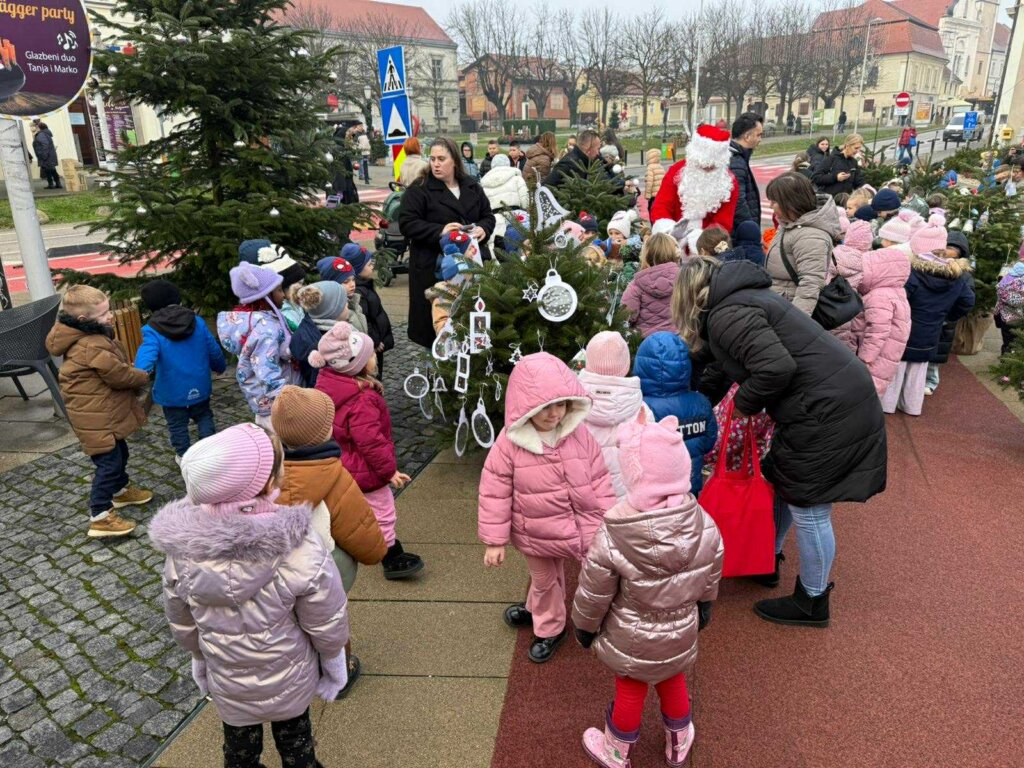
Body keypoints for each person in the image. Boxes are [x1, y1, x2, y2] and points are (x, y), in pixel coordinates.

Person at [674, 257, 886, 626]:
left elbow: (776, 367)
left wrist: (743, 405)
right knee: (782, 480)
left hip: (825, 409)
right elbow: (723, 361)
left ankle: (813, 600)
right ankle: (766, 560)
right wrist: (697, 400)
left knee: (809, 505)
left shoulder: (728, 314)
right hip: (831, 397)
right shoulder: (742, 302)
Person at [149, 424, 349, 767]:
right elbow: (325, 615)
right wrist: (334, 661)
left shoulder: (182, 552)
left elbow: (180, 617)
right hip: (289, 674)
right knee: (296, 738)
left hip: (227, 675)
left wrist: (198, 657)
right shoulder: (298, 545)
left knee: (239, 746)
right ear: (268, 484)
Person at [573, 413, 723, 768]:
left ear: (634, 475)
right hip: (680, 624)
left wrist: (584, 626)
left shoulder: (617, 531)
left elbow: (595, 589)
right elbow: (712, 567)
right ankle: (678, 742)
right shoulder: (702, 520)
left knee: (630, 689)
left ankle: (616, 752)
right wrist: (706, 605)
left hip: (631, 633)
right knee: (673, 679)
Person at [478, 352, 616, 663]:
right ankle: (551, 627)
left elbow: (600, 480)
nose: (555, 414)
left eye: (562, 403)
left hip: (577, 526)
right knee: (545, 579)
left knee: (563, 578)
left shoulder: (579, 436)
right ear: (526, 407)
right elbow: (494, 491)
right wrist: (494, 540)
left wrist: (610, 521)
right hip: (536, 531)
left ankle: (537, 609)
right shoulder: (510, 444)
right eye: (545, 407)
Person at [272, 385, 387, 698]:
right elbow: (360, 528)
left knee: (290, 621)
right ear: (325, 431)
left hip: (277, 574)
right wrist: (378, 551)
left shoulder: (264, 474)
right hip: (327, 569)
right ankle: (341, 670)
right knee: (331, 621)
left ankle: (294, 669)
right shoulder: (334, 475)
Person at [312, 322, 425, 580]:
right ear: (357, 364)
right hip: (365, 469)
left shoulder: (329, 382)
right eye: (371, 354)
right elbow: (371, 442)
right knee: (383, 509)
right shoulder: (362, 399)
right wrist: (389, 472)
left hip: (343, 463)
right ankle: (390, 554)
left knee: (352, 508)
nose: (375, 357)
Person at [45, 285, 152, 538]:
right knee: (109, 464)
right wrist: (143, 375)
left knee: (119, 453)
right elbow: (118, 375)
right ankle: (100, 515)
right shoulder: (90, 346)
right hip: (96, 418)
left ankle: (120, 491)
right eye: (104, 315)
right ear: (84, 320)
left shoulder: (82, 335)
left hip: (100, 412)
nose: (110, 317)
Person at [398, 137, 495, 348]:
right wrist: (439, 230)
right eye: (432, 159)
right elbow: (406, 223)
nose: (436, 164)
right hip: (433, 267)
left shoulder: (471, 186)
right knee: (436, 326)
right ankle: (436, 368)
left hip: (472, 265)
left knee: (470, 322)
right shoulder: (420, 188)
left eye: (441, 159)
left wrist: (483, 229)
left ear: (455, 161)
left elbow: (488, 215)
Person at [882, 225, 974, 415]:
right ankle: (913, 406)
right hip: (932, 330)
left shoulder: (913, 273)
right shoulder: (959, 277)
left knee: (896, 367)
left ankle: (887, 405)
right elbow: (967, 301)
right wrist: (948, 316)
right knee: (918, 371)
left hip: (905, 328)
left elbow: (900, 297)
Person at [134, 279, 226, 462]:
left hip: (172, 392)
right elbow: (212, 348)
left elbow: (146, 357)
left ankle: (184, 456)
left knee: (177, 425)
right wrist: (220, 366)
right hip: (199, 385)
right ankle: (208, 449)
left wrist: (137, 375)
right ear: (178, 298)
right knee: (204, 416)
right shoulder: (197, 322)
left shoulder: (151, 330)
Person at [633, 332, 718, 495]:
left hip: (653, 493)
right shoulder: (701, 403)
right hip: (689, 488)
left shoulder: (641, 408)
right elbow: (709, 442)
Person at [218, 261, 299, 429]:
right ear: (265, 297)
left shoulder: (262, 320)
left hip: (272, 404)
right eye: (278, 290)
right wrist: (289, 401)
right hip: (277, 408)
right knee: (283, 448)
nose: (283, 295)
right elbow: (266, 371)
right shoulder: (265, 330)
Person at [828, 240, 912, 397]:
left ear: (879, 272)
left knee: (861, 396)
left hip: (873, 360)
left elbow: (878, 331)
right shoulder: (897, 292)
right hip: (886, 356)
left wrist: (864, 358)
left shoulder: (879, 296)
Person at [577, 332, 652, 500]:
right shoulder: (642, 410)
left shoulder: (572, 407)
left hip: (587, 500)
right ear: (625, 366)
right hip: (629, 502)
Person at [239, 240, 322, 388]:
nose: (302, 289)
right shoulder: (270, 319)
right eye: (297, 285)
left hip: (296, 379)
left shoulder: (292, 305)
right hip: (284, 390)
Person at [763, 172, 842, 315]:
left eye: (774, 201)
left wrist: (794, 324)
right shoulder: (790, 225)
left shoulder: (811, 236)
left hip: (788, 312)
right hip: (780, 305)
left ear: (790, 203)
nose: (770, 206)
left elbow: (810, 285)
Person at [650, 124, 740, 235]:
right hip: (671, 241)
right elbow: (661, 206)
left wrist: (701, 241)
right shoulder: (676, 171)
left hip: (707, 246)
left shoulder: (728, 183)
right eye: (701, 166)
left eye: (712, 167)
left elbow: (723, 223)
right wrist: (669, 232)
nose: (707, 169)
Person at [621, 233, 681, 338]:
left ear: (646, 254)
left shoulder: (636, 285)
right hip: (679, 338)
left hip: (647, 342)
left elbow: (626, 316)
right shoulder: (683, 279)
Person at [347, 244, 394, 376]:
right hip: (372, 345)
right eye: (368, 264)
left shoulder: (365, 285)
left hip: (377, 342)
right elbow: (363, 319)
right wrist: (374, 341)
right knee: (374, 374)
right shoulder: (358, 292)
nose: (372, 266)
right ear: (357, 269)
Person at [729, 112, 763, 235]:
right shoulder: (735, 162)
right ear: (747, 136)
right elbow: (738, 203)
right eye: (759, 135)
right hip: (740, 235)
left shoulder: (737, 158)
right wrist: (752, 232)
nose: (760, 139)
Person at [995, 243, 1024, 355]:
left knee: (1008, 345)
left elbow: (1000, 292)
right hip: (1016, 318)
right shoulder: (1019, 277)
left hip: (1005, 317)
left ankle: (1005, 368)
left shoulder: (1009, 272)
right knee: (1014, 346)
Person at [31, 121, 61, 188]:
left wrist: (44, 155)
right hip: (48, 155)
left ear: (39, 127)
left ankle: (52, 184)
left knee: (49, 170)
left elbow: (45, 144)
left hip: (46, 156)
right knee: (51, 170)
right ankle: (57, 184)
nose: (35, 128)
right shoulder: (45, 133)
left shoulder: (41, 134)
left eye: (36, 127)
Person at [644, 147, 666, 213]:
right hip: (661, 194)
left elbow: (649, 182)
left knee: (651, 210)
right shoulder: (661, 167)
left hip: (654, 195)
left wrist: (647, 194)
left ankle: (653, 223)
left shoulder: (650, 168)